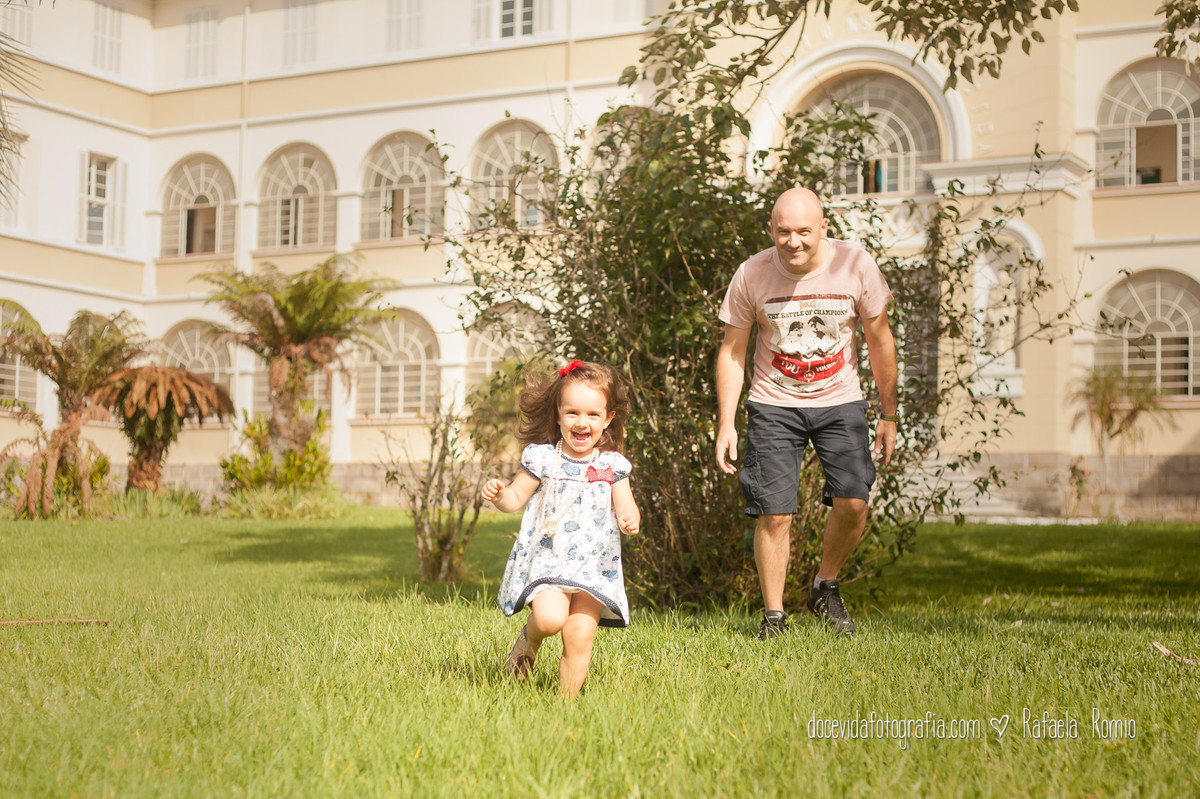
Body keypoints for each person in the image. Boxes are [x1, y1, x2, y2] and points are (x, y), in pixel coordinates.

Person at [715, 187, 898, 639]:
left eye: (803, 232)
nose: (792, 242)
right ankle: (774, 617)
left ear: (823, 229)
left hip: (841, 399)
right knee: (774, 513)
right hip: (774, 402)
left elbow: (880, 341)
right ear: (771, 231)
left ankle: (824, 585)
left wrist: (889, 413)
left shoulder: (856, 265)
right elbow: (732, 351)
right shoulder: (752, 274)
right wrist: (726, 421)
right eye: (783, 232)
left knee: (854, 504)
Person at [482, 359, 641, 698]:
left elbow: (626, 504)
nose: (581, 423)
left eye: (593, 415)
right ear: (557, 414)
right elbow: (515, 498)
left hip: (594, 566)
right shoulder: (542, 458)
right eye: (572, 413)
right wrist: (500, 496)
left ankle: (564, 707)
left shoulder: (611, 465)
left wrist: (630, 520)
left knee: (580, 634)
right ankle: (530, 638)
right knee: (551, 620)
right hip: (551, 560)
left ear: (608, 418)